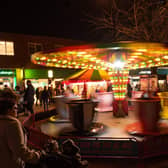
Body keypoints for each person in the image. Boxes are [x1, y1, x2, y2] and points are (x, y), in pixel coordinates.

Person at [0, 89, 43, 168]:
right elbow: (20, 151)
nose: (17, 110)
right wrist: (37, 155)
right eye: (16, 107)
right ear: (9, 109)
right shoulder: (12, 124)